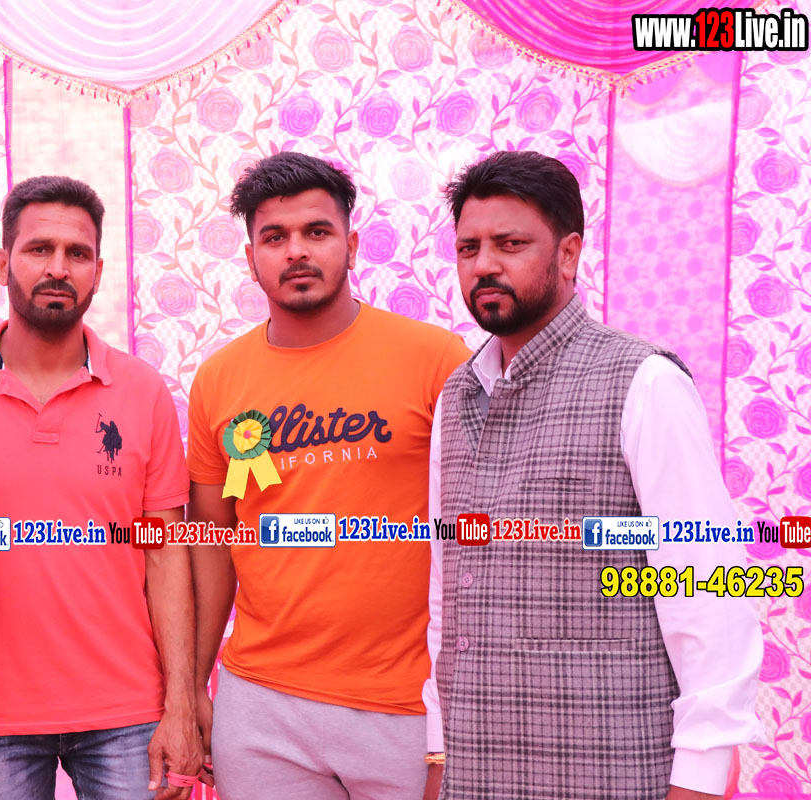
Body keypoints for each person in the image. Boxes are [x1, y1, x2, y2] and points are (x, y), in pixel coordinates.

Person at [423, 150, 762, 800]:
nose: (484, 264)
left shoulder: (644, 381)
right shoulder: (456, 396)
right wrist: (439, 751)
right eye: (469, 248)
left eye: (510, 244)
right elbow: (448, 597)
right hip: (477, 767)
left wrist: (700, 776)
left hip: (613, 765)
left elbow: (711, 588)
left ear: (568, 254)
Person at [187, 151, 471, 799]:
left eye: (317, 231)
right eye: (274, 237)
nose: (296, 251)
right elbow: (211, 542)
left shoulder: (436, 361)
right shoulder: (219, 379)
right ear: (250, 257)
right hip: (260, 704)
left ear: (352, 244)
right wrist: (194, 684)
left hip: (406, 704)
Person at [0, 176, 201, 800]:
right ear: (3, 263)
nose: (58, 267)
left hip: (129, 713)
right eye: (39, 249)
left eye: (77, 253)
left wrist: (181, 704)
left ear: (98, 272)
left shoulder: (143, 392)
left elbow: (167, 557)